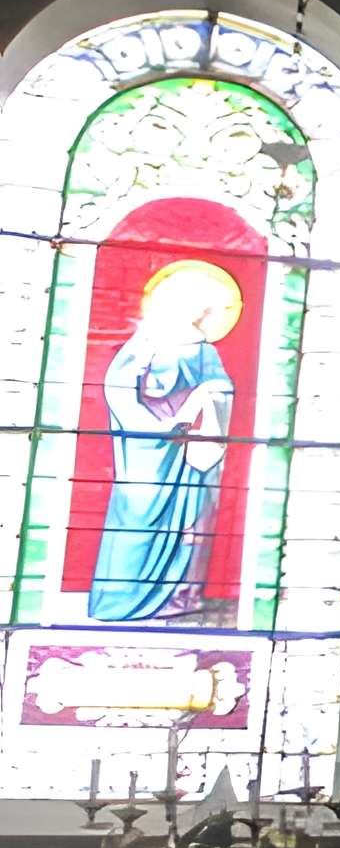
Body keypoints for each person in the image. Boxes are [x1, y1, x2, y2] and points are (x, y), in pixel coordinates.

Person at [87, 256, 240, 623]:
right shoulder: (146, 342)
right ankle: (117, 602)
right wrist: (156, 427)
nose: (203, 313)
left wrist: (205, 398)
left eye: (207, 307)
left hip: (188, 448)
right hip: (146, 447)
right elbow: (118, 389)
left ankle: (176, 597)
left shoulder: (203, 348)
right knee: (135, 516)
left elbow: (222, 385)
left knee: (189, 519)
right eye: (198, 303)